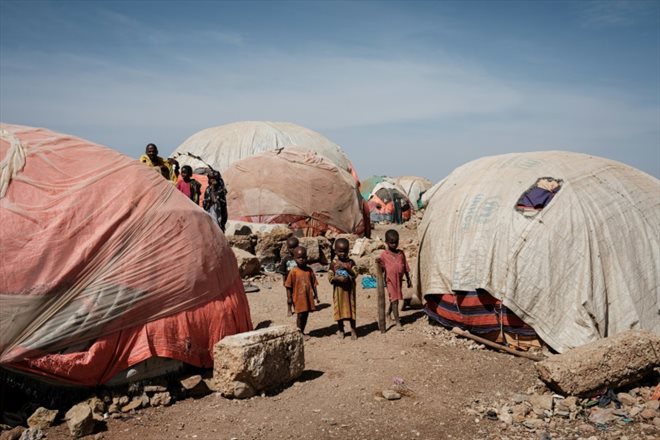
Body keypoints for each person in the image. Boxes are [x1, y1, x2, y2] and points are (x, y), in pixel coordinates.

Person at [379, 229, 412, 330]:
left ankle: (388, 313)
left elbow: (405, 266)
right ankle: (398, 322)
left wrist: (408, 279)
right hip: (390, 281)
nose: (394, 245)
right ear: (386, 242)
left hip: (399, 280)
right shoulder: (384, 255)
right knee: (395, 300)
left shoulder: (401, 253)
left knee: (395, 298)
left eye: (396, 242)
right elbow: (380, 268)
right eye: (391, 242)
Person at [284, 246, 319, 336]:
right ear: (294, 258)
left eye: (303, 257)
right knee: (300, 315)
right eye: (299, 258)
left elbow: (314, 284)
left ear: (307, 258)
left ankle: (302, 331)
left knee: (306, 315)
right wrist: (289, 298)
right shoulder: (293, 272)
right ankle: (299, 332)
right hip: (298, 298)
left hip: (307, 297)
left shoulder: (309, 270)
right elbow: (288, 286)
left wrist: (316, 295)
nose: (301, 260)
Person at [329, 238, 358, 340]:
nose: (343, 253)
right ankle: (341, 329)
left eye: (345, 251)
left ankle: (353, 329)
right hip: (339, 292)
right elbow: (330, 277)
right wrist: (338, 279)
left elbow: (355, 274)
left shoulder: (351, 262)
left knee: (351, 310)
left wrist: (346, 268)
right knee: (339, 311)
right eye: (340, 251)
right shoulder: (333, 264)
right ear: (335, 251)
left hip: (349, 292)